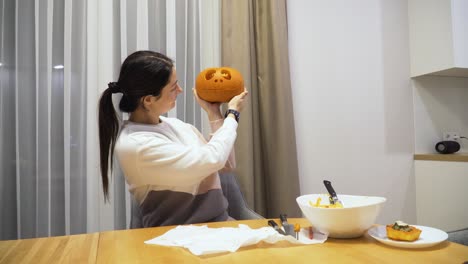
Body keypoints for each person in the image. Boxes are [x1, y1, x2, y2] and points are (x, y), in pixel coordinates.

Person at [98, 50, 248, 227]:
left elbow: (225, 164)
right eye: (173, 87)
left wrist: (214, 113)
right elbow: (212, 158)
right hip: (173, 236)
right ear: (148, 100)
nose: (180, 90)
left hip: (217, 227)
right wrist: (232, 116)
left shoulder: (176, 125)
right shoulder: (135, 145)